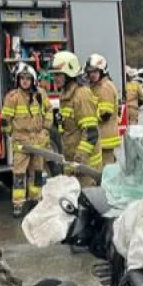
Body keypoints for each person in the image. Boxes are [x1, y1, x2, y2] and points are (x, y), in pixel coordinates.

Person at [2, 62, 49, 217]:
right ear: (17, 80)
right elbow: (5, 120)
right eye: (22, 78)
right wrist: (12, 134)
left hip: (38, 140)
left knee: (37, 172)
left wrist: (46, 129)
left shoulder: (40, 95)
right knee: (19, 174)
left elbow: (49, 110)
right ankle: (18, 204)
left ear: (33, 80)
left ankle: (35, 200)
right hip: (21, 141)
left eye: (28, 78)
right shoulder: (13, 97)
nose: (24, 81)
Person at [50, 51, 102, 187]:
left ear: (69, 73)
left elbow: (91, 133)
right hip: (73, 165)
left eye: (58, 74)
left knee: (86, 199)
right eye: (54, 75)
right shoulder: (66, 95)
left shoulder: (81, 95)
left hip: (86, 168)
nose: (55, 78)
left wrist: (79, 159)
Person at [85, 53, 121, 166]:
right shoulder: (95, 86)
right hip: (100, 139)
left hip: (105, 139)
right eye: (90, 72)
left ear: (102, 71)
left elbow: (105, 115)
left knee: (105, 171)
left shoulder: (105, 87)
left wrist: (86, 115)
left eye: (95, 71)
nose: (92, 75)